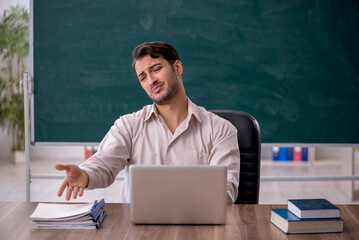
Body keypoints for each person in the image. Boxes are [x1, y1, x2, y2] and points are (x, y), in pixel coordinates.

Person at [55, 41, 240, 204]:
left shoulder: (221, 130)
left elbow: (225, 193)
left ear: (177, 67)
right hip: (140, 230)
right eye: (143, 77)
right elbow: (103, 163)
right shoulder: (128, 126)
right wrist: (84, 175)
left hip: (197, 227)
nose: (151, 81)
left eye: (156, 69)